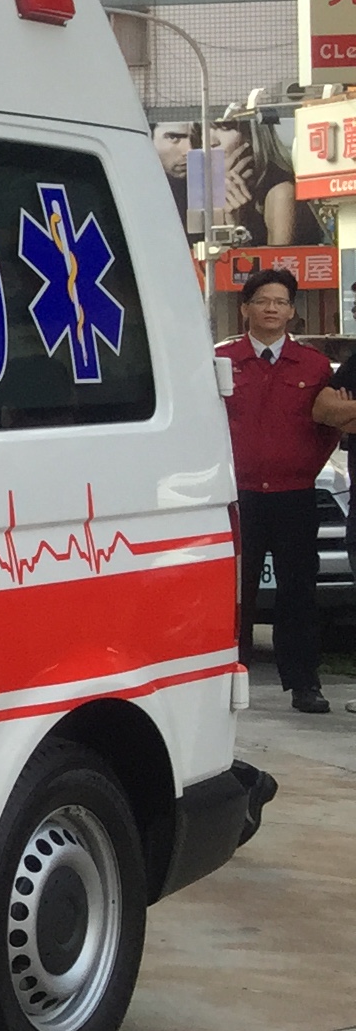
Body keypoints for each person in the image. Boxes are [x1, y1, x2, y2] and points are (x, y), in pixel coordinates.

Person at [216, 267, 356, 714]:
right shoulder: (221, 361)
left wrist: (305, 465)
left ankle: (304, 684)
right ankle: (227, 678)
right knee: (236, 593)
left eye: (280, 302)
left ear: (292, 311)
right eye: (262, 301)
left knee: (299, 592)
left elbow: (331, 422)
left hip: (294, 495)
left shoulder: (312, 365)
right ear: (245, 308)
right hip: (238, 497)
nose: (271, 309)